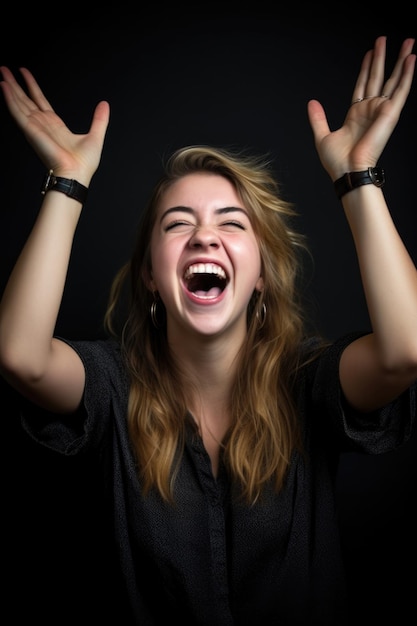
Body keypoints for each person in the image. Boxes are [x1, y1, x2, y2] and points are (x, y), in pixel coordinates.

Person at [0, 35, 416, 625]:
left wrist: (356, 176)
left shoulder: (308, 381)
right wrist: (68, 182)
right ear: (149, 275)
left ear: (262, 275)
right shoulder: (112, 384)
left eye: (231, 222)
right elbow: (20, 357)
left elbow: (406, 353)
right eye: (178, 224)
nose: (203, 236)